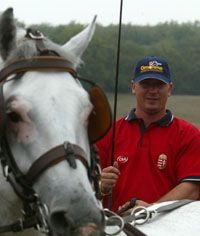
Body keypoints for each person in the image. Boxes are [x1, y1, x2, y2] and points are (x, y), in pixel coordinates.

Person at [96, 55, 200, 214]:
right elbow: (84, 187)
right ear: (133, 86)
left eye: (159, 84)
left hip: (168, 229)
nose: (153, 91)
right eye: (146, 84)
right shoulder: (109, 133)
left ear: (170, 89)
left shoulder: (189, 135)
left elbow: (192, 189)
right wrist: (101, 186)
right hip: (117, 227)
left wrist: (149, 211)